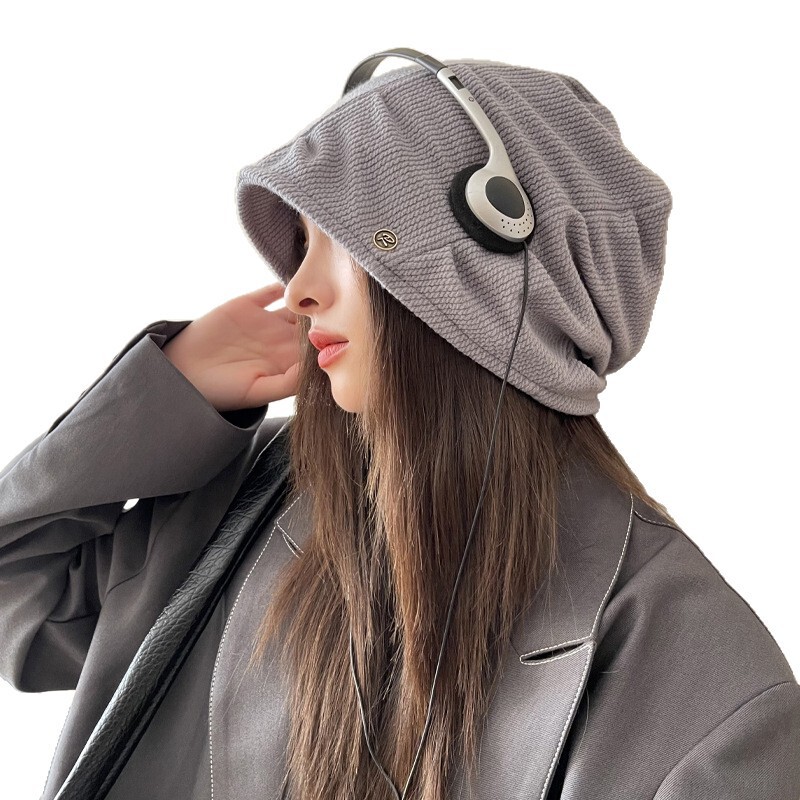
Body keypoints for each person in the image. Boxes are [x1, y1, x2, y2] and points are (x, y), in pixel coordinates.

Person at [1, 49, 799, 800]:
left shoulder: (709, 683)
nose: (298, 288)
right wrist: (167, 397)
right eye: (302, 243)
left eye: (341, 241)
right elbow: (17, 601)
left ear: (495, 247)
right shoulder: (226, 508)